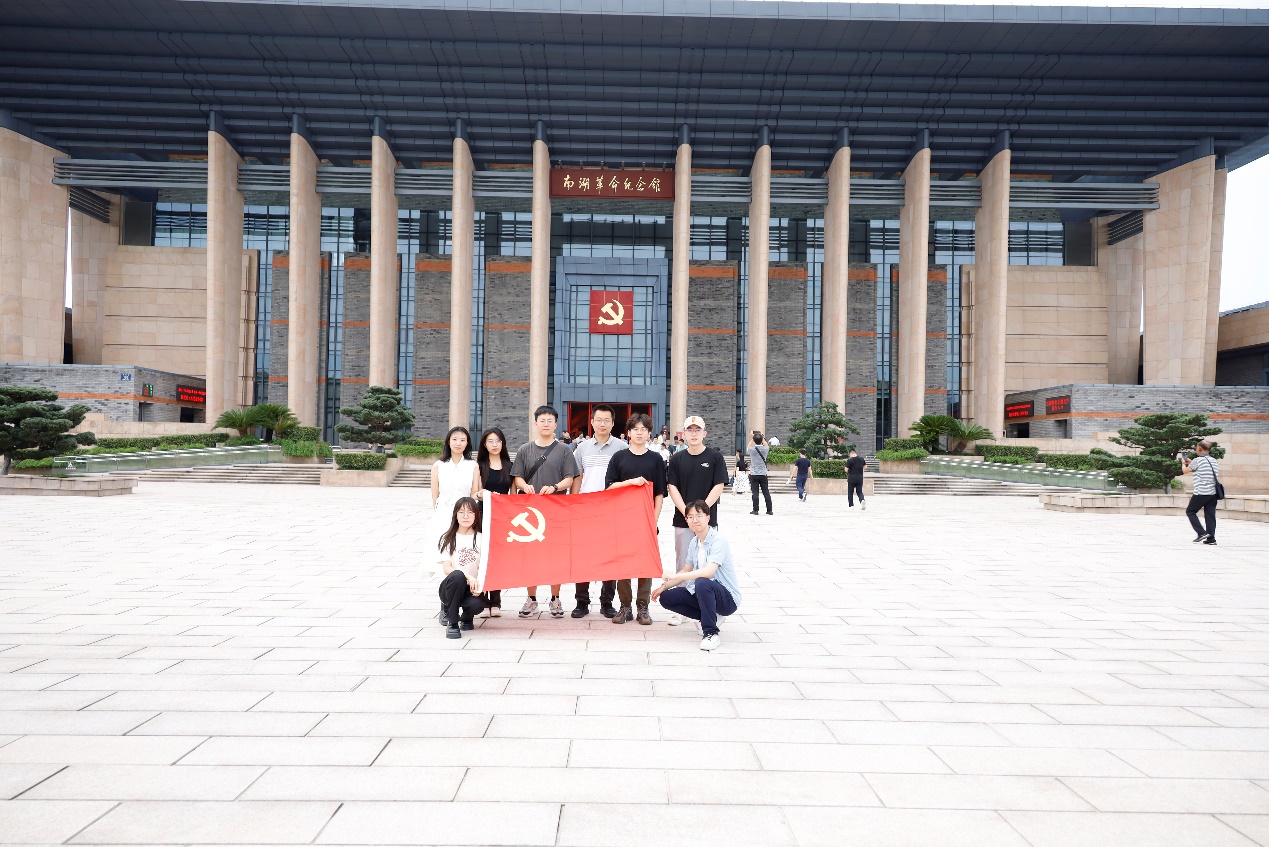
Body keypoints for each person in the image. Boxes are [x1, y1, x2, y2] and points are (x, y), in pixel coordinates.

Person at [511, 405, 580, 618]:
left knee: (555, 557)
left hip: (556, 511)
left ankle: (555, 599)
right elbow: (517, 477)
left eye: (550, 420)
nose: (546, 424)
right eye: (542, 420)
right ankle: (531, 599)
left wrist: (555, 487)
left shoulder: (564, 450)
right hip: (530, 513)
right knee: (530, 557)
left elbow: (570, 478)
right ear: (535, 423)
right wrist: (524, 486)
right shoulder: (525, 450)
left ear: (556, 424)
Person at [653, 500, 742, 651]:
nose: (695, 520)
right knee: (667, 598)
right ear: (686, 520)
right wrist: (664, 586)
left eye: (699, 516)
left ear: (708, 517)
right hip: (705, 591)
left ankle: (711, 633)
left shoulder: (718, 541)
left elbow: (708, 572)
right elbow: (685, 570)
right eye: (690, 517)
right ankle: (712, 617)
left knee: (702, 581)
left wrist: (674, 577)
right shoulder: (694, 542)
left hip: (727, 599)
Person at [604, 412, 667, 625]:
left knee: (645, 563)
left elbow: (659, 494)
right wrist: (630, 482)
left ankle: (643, 606)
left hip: (646, 520)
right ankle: (625, 606)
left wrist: (653, 520)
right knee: (623, 563)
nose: (639, 433)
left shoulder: (656, 459)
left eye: (644, 429)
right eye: (635, 429)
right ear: (628, 433)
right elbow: (609, 486)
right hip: (622, 520)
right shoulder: (619, 457)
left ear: (649, 434)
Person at [666, 416, 729, 625]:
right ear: (684, 434)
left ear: (704, 433)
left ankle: (709, 607)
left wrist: (701, 512)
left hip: (707, 521)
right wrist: (688, 513)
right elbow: (672, 487)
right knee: (683, 562)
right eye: (690, 430)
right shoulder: (677, 459)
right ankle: (681, 609)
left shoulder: (715, 457)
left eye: (697, 430)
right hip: (682, 519)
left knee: (709, 564)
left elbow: (719, 485)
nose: (694, 434)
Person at [568, 404, 628, 618]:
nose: (602, 424)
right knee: (583, 557)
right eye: (599, 420)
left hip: (612, 511)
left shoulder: (621, 448)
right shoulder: (582, 448)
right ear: (592, 422)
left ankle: (607, 602)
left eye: (606, 420)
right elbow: (577, 477)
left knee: (610, 557)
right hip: (586, 510)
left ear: (612, 423)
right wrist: (574, 503)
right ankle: (581, 602)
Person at [427, 426, 480, 560]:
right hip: (444, 512)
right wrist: (438, 511)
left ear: (467, 443)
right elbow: (435, 495)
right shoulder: (438, 465)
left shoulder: (473, 465)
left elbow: (473, 493)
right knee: (442, 549)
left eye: (462, 440)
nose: (458, 443)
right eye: (455, 439)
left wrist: (481, 495)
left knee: (461, 549)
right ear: (448, 442)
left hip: (464, 513)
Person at [475, 427, 512, 616]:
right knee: (482, 557)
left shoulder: (509, 465)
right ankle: (482, 601)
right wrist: (485, 495)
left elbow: (513, 494)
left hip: (502, 517)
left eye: (498, 441)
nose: (494, 444)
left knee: (497, 559)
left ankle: (496, 602)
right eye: (490, 441)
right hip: (482, 515)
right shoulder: (479, 465)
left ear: (503, 443)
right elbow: (475, 492)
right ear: (484, 444)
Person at [437, 497, 485, 639]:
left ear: (476, 515)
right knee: (457, 575)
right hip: (450, 588)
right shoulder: (447, 538)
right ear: (455, 515)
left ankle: (466, 618)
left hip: (471, 589)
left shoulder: (482, 538)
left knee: (477, 605)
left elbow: (486, 568)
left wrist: (480, 586)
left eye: (470, 512)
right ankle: (452, 623)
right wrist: (468, 576)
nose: (465, 516)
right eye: (461, 512)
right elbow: (447, 568)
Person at [1183, 440, 1221, 545]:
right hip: (1213, 493)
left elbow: (1185, 471)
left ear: (1200, 449)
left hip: (1201, 492)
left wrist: (1183, 464)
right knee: (1210, 515)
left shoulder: (1197, 460)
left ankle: (1201, 533)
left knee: (1190, 511)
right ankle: (1211, 539)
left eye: (1196, 447)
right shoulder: (1213, 460)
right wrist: (1191, 463)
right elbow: (1203, 468)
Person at [748, 431, 773, 516]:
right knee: (766, 492)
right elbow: (766, 444)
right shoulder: (765, 449)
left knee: (755, 493)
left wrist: (753, 437)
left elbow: (749, 445)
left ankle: (755, 510)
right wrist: (761, 436)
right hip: (763, 474)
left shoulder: (751, 450)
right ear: (762, 439)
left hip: (754, 474)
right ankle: (769, 510)